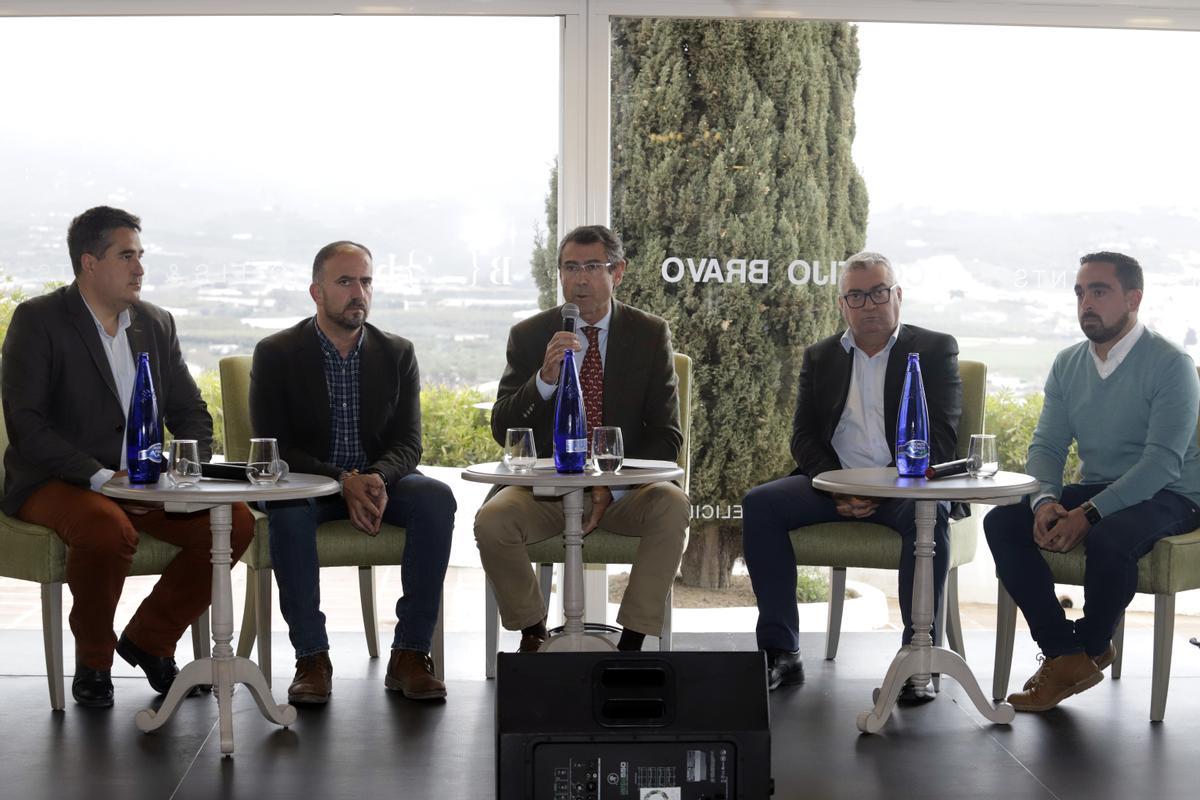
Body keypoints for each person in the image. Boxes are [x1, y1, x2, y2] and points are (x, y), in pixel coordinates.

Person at [1, 205, 254, 708]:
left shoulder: (155, 323)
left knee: (236, 522)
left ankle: (150, 639)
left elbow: (190, 411)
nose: (140, 268)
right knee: (105, 529)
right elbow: (27, 425)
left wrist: (186, 471)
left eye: (140, 256)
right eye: (127, 256)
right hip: (58, 481)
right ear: (89, 263)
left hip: (143, 481)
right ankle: (94, 660)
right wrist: (100, 477)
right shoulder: (39, 320)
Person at [985, 252, 1200, 712]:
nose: (1086, 303)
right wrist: (1045, 501)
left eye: (1099, 291)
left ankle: (1093, 644)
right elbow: (1047, 446)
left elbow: (1162, 463)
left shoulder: (1171, 364)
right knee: (1003, 520)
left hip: (1174, 493)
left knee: (1109, 536)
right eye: (1080, 292)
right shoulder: (1068, 363)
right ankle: (1065, 652)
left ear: (1133, 299)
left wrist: (1089, 513)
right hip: (1102, 486)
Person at [742, 251, 962, 695]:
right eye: (856, 297)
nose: (869, 305)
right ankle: (781, 653)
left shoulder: (935, 350)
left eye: (879, 293)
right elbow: (803, 437)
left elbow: (940, 438)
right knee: (760, 505)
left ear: (898, 295)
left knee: (931, 516)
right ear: (842, 305)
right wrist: (837, 486)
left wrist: (880, 489)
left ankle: (918, 661)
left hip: (906, 488)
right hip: (833, 483)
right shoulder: (821, 356)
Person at [251, 240, 456, 704]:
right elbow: (273, 446)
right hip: (306, 484)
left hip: (378, 483)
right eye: (345, 282)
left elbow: (410, 442)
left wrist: (377, 478)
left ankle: (410, 653)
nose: (358, 292)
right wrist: (342, 481)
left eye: (365, 281)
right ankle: (312, 658)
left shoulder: (397, 352)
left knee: (435, 498)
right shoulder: (276, 352)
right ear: (316, 292)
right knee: (288, 511)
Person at [475, 224, 689, 653]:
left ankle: (631, 646)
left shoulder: (649, 334)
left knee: (672, 505)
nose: (581, 279)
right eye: (570, 268)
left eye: (593, 266)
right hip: (546, 491)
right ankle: (533, 635)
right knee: (492, 520)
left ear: (618, 272)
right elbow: (504, 429)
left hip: (625, 493)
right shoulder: (530, 335)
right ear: (559, 275)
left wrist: (609, 484)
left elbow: (667, 437)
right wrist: (544, 379)